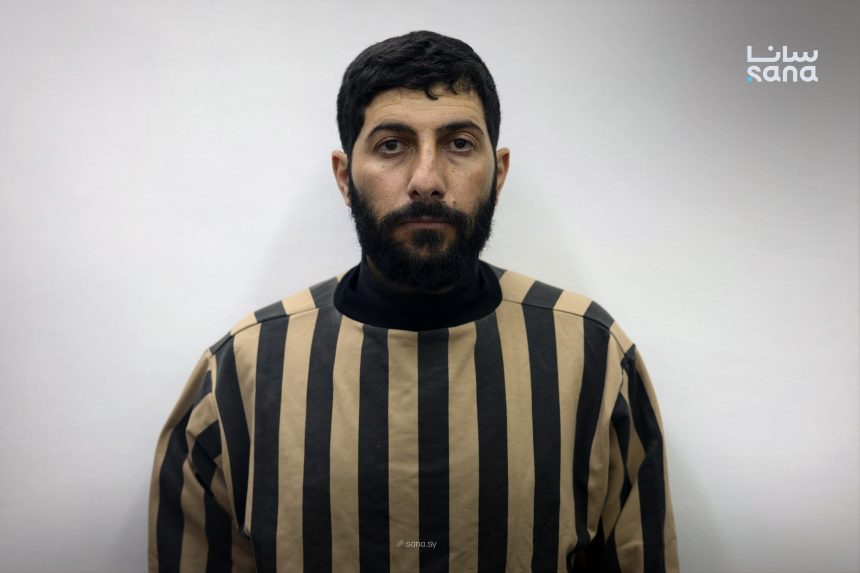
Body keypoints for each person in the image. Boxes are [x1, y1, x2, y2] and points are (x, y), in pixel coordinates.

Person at [148, 30, 679, 573]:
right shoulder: (242, 372)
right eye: (392, 145)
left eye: (459, 144)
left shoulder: (590, 357)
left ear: (498, 175)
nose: (426, 180)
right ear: (344, 177)